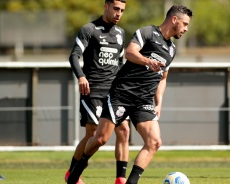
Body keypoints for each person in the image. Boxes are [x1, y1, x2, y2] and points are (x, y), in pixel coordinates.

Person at [67, 4, 193, 184]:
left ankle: (128, 182)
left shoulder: (171, 49)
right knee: (100, 138)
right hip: (122, 94)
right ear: (175, 20)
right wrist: (147, 61)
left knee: (154, 142)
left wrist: (159, 103)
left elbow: (163, 77)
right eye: (185, 24)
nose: (186, 29)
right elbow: (130, 52)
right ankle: (74, 175)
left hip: (144, 100)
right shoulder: (147, 33)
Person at [65, 0, 130, 184]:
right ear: (106, 6)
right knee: (93, 136)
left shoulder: (120, 33)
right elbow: (74, 55)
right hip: (93, 91)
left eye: (122, 11)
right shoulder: (89, 29)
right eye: (116, 9)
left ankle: (120, 179)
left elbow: (119, 62)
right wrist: (81, 76)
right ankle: (72, 173)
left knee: (124, 130)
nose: (119, 13)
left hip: (115, 93)